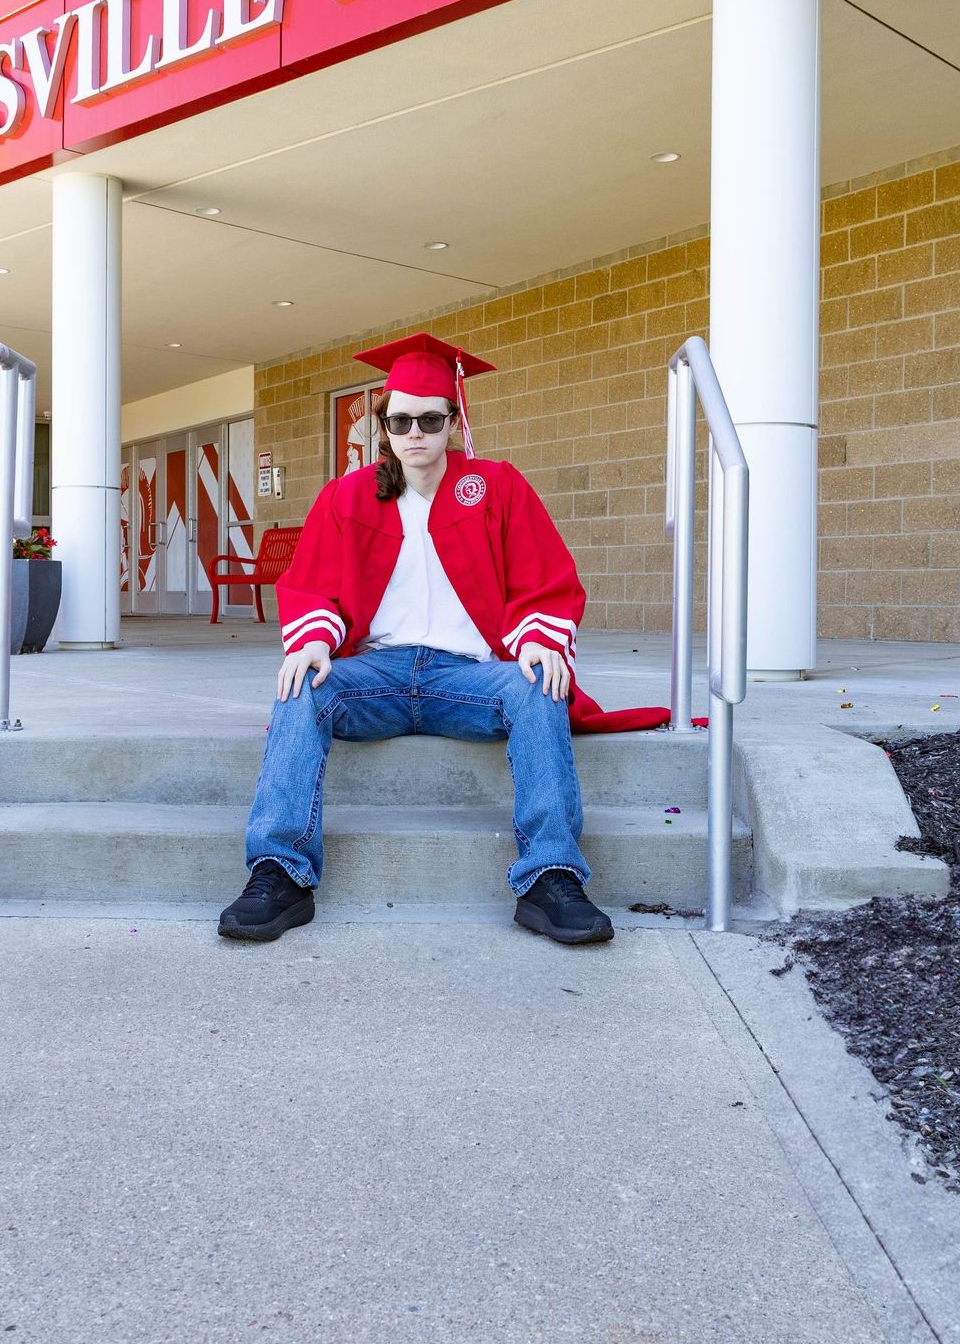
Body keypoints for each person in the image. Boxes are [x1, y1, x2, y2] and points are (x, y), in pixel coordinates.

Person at [218, 332, 670, 947]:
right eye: (400, 418)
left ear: (453, 420)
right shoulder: (347, 496)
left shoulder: (496, 486)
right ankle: (279, 873)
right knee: (302, 686)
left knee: (539, 686)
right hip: (375, 674)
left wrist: (539, 639)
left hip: (468, 677)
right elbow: (312, 585)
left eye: (431, 418)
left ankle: (550, 877)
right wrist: (315, 640)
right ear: (384, 424)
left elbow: (545, 576)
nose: (415, 432)